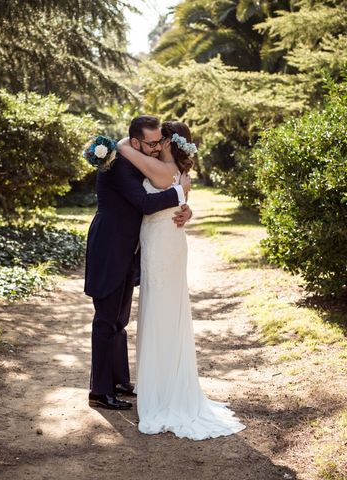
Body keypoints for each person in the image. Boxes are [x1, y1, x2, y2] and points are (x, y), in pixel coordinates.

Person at [117, 121, 246, 440]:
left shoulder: (163, 170)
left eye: (160, 140)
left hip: (162, 247)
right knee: (166, 313)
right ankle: (163, 384)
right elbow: (176, 197)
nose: (155, 143)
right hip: (167, 242)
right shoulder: (172, 170)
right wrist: (185, 207)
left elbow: (123, 147)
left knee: (160, 314)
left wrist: (118, 145)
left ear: (167, 142)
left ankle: (163, 393)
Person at [84, 116, 192, 410]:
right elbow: (145, 204)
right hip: (109, 248)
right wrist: (180, 190)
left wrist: (185, 207)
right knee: (106, 320)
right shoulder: (117, 164)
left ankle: (119, 380)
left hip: (128, 251)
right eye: (153, 142)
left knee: (120, 321)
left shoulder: (137, 159)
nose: (158, 147)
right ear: (135, 142)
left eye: (160, 141)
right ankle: (99, 391)